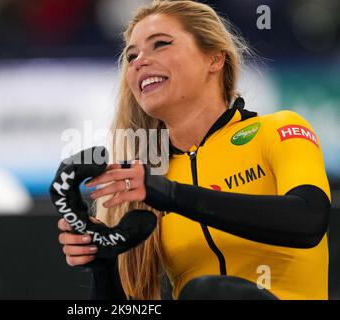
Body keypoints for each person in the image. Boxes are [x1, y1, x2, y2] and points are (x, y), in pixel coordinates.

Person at [56, 0, 331, 300]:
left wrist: (172, 195)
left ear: (214, 59)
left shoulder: (278, 130)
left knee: (206, 291)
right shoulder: (147, 178)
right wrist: (104, 265)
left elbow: (309, 220)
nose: (138, 61)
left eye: (160, 44)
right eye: (131, 55)